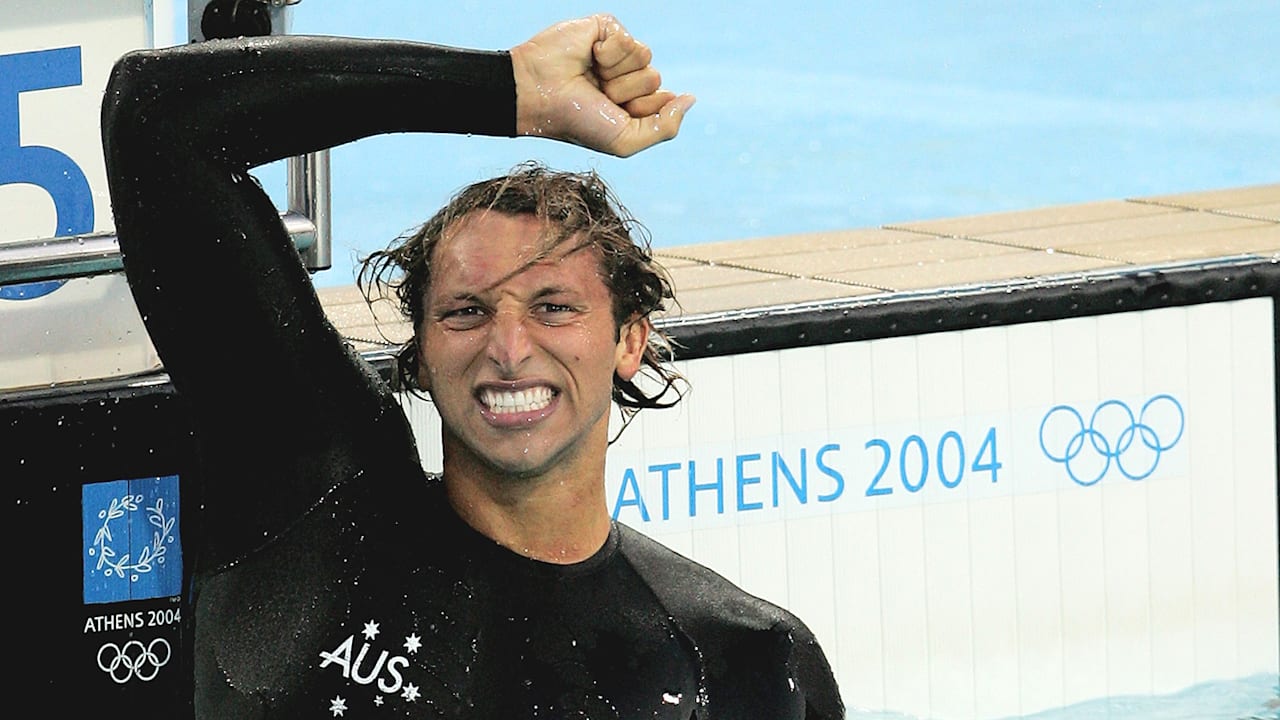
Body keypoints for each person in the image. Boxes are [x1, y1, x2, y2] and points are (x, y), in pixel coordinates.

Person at [102, 13, 844, 719]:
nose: (509, 349)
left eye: (553, 307)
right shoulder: (318, 512)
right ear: (421, 354)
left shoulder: (741, 659)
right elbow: (158, 116)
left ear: (629, 341)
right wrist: (511, 88)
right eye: (466, 312)